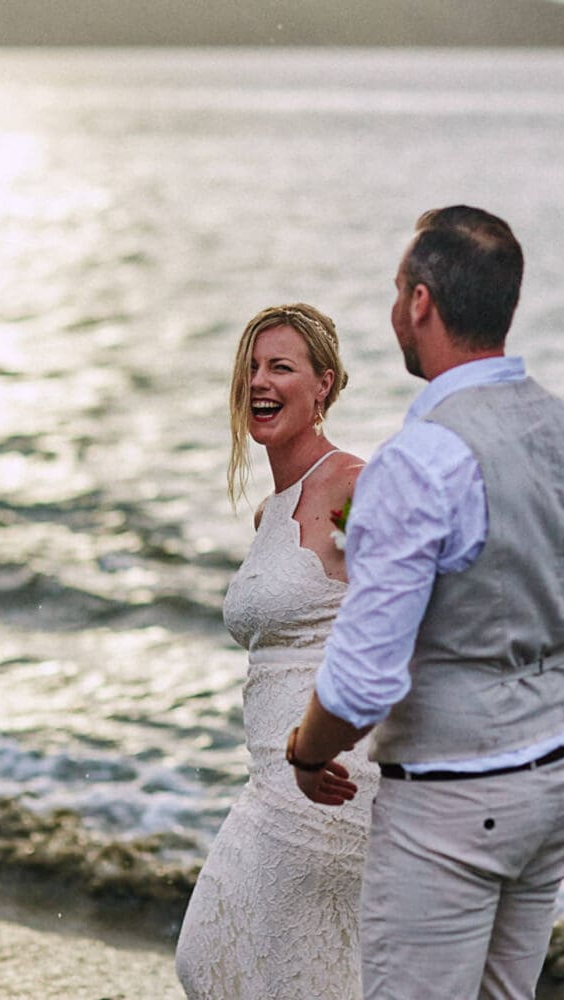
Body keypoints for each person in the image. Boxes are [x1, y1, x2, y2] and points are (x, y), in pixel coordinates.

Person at [288, 207, 564, 1000]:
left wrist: (306, 751)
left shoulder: (421, 461)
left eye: (396, 290)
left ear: (421, 302)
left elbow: (362, 685)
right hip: (559, 775)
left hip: (454, 795)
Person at [175, 303, 379, 999]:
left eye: (281, 367)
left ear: (324, 384)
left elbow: (410, 616)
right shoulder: (270, 512)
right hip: (273, 777)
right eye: (252, 367)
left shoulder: (352, 487)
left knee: (215, 962)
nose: (260, 381)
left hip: (331, 780)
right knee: (245, 972)